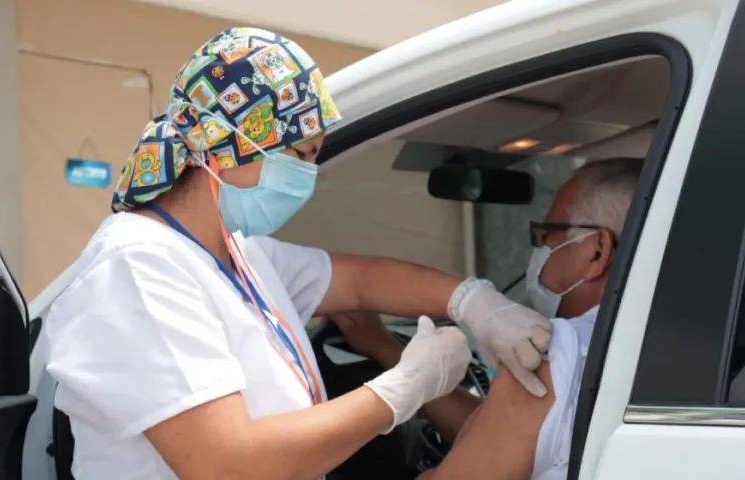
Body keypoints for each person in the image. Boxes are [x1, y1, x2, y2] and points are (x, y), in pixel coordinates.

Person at [44, 28, 552, 480]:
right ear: (227, 144)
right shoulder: (138, 268)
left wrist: (476, 303)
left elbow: (359, 282)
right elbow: (226, 464)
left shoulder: (236, 252)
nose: (308, 176)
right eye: (301, 155)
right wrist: (403, 388)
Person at [333, 157, 642, 479]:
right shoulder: (653, 342)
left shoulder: (563, 352)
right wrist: (385, 348)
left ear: (597, 250)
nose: (537, 252)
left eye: (546, 235)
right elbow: (503, 437)